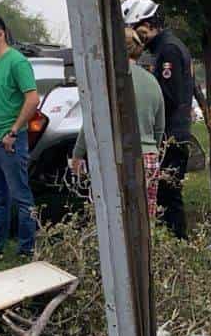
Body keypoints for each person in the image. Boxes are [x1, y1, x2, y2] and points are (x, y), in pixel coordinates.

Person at [70, 26, 167, 216]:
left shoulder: (106, 81)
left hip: (116, 156)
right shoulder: (152, 81)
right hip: (148, 158)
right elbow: (159, 127)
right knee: (145, 219)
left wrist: (78, 154)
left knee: (117, 220)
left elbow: (91, 122)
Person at [122, 0, 195, 238]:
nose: (135, 36)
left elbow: (169, 96)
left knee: (168, 194)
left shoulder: (169, 49)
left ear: (149, 24)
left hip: (172, 136)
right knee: (165, 194)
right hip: (172, 134)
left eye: (136, 29)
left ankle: (177, 244)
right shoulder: (164, 48)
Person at [0, 15, 40, 257]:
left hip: (9, 141)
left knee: (21, 197)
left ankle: (26, 250)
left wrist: (13, 131)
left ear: (0, 34)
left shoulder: (17, 62)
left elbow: (32, 98)